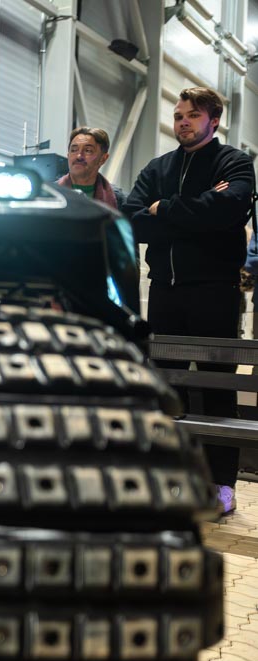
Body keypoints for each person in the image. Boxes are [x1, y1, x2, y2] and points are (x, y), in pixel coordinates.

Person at [124, 87, 256, 515]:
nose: (182, 121)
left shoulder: (234, 163)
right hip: (165, 292)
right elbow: (132, 220)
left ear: (213, 121)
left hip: (215, 293)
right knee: (168, 389)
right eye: (179, 115)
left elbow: (228, 210)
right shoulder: (158, 167)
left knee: (218, 390)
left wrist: (164, 210)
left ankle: (222, 484)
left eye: (192, 115)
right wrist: (197, 211)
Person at [56, 126, 125, 211]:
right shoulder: (49, 194)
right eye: (74, 150)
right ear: (68, 155)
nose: (79, 156)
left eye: (88, 150)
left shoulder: (119, 200)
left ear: (103, 159)